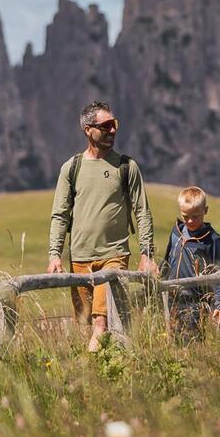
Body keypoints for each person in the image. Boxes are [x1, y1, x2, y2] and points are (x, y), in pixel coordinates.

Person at [47, 100, 157, 352]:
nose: (112, 130)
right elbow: (60, 215)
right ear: (88, 129)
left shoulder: (126, 167)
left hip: (114, 257)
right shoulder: (71, 168)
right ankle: (118, 367)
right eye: (106, 125)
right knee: (90, 323)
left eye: (114, 124)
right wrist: (54, 255)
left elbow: (143, 212)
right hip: (80, 259)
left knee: (100, 323)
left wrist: (147, 254)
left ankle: (90, 373)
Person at [161, 186, 220, 336]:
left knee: (190, 339)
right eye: (185, 216)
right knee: (170, 336)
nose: (190, 221)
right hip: (172, 296)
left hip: (195, 301)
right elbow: (167, 259)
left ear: (205, 210)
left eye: (195, 216)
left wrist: (219, 304)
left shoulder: (211, 239)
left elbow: (219, 273)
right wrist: (159, 279)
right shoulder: (176, 232)